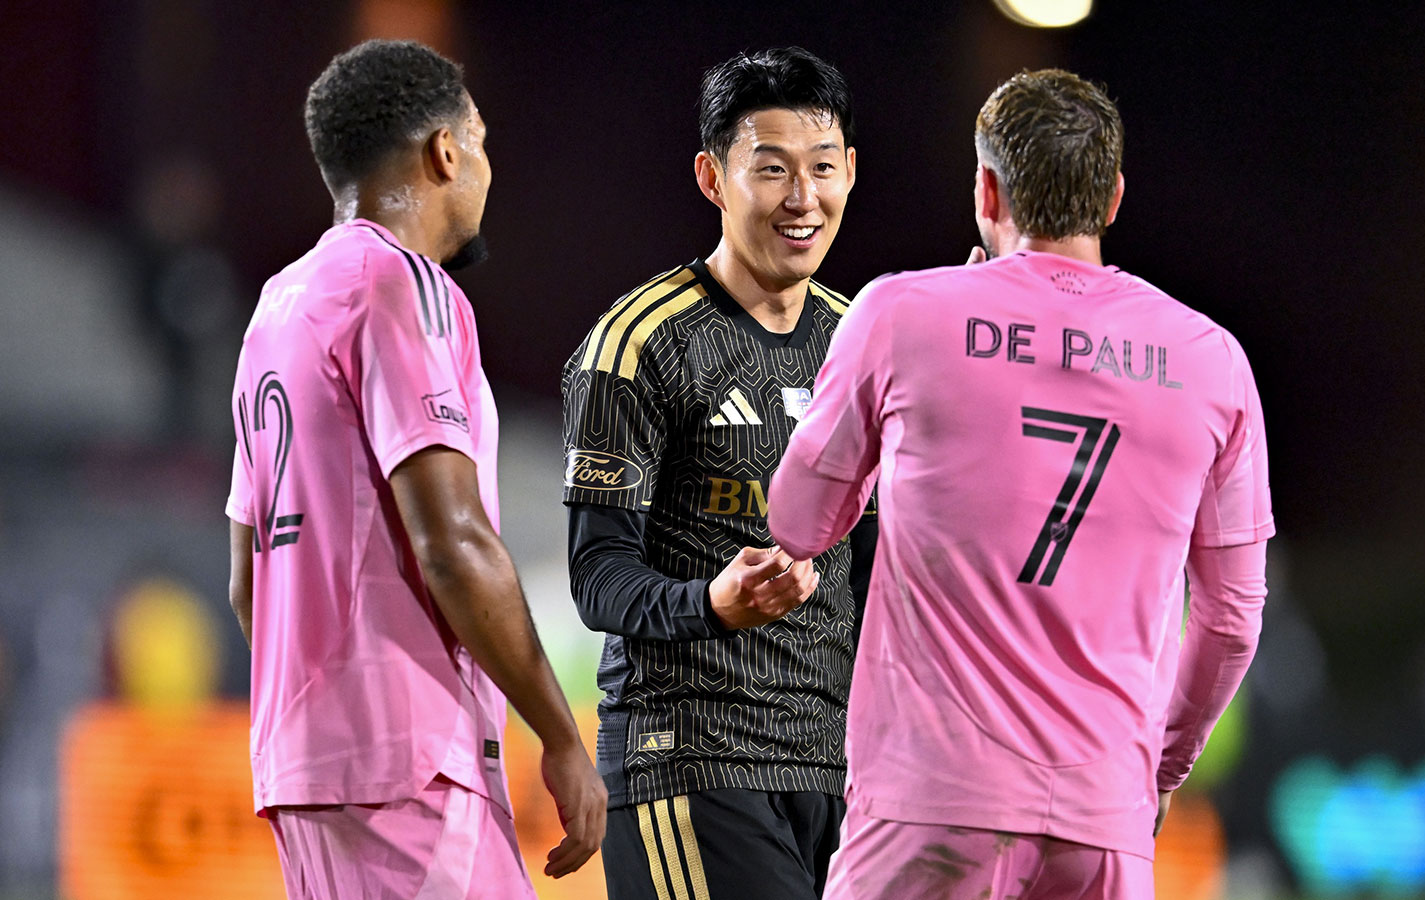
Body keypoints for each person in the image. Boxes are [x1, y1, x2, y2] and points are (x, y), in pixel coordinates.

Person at [769, 69, 1275, 900]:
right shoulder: (1211, 361)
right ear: (1112, 198)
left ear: (986, 188)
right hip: (1103, 816)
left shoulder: (900, 314)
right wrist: (1158, 765)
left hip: (931, 803)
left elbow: (798, 521)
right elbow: (1231, 619)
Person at [225, 39, 604, 898]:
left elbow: (252, 584)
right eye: (481, 143)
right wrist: (560, 735)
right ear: (445, 151)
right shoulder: (403, 285)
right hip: (410, 764)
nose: (485, 169)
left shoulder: (274, 310)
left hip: (302, 770)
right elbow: (453, 540)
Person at [560, 47, 874, 900]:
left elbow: (882, 568)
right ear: (712, 177)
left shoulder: (865, 344)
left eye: (821, 168)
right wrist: (711, 604)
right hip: (691, 765)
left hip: (843, 776)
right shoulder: (639, 344)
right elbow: (597, 575)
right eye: (771, 170)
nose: (801, 199)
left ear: (850, 171)